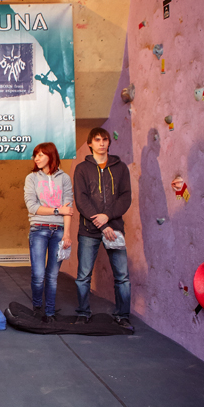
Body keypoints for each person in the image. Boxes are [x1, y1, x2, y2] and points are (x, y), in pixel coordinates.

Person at [73, 128, 133, 330]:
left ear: (109, 142)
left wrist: (108, 218)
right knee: (83, 276)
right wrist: (102, 223)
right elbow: (81, 200)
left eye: (104, 139)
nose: (101, 143)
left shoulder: (121, 167)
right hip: (89, 230)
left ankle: (123, 316)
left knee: (122, 277)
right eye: (97, 140)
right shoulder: (82, 168)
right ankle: (83, 313)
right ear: (90, 143)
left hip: (114, 229)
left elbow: (125, 197)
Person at [24, 142, 73, 323]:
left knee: (52, 276)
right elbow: (33, 207)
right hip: (38, 229)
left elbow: (68, 209)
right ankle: (37, 307)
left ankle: (50, 312)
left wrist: (67, 234)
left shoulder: (64, 178)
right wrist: (56, 210)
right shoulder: (32, 178)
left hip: (59, 231)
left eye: (41, 155)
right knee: (38, 274)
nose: (36, 158)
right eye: (35, 155)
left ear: (51, 156)